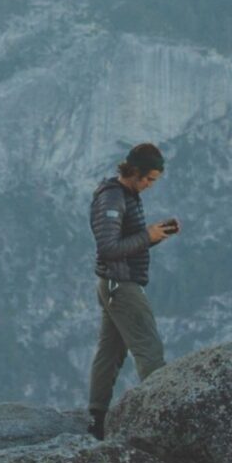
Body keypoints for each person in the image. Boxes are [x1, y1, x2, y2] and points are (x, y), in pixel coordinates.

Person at [87, 142, 180, 438]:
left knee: (111, 352)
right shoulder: (113, 199)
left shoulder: (127, 194)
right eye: (150, 179)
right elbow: (108, 248)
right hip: (121, 285)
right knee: (149, 349)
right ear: (136, 172)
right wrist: (146, 235)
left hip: (115, 283)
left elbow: (125, 242)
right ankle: (162, 418)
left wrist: (154, 236)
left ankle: (96, 419)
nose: (151, 186)